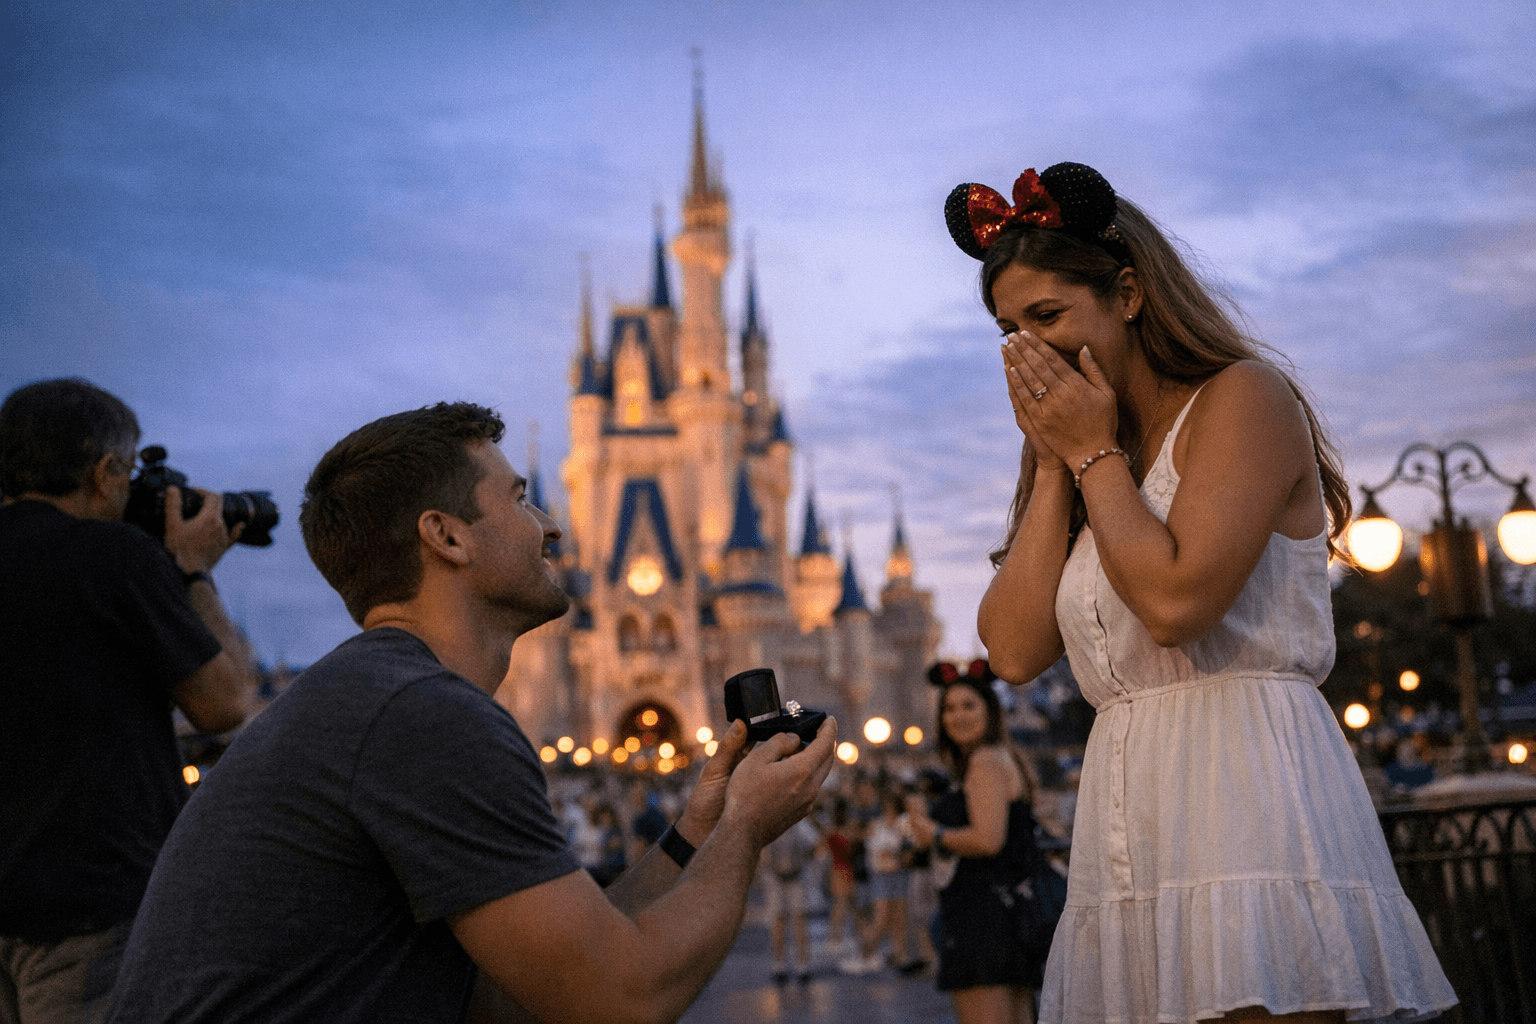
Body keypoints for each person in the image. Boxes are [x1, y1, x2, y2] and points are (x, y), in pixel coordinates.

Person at [105, 401, 837, 1024]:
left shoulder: (380, 695)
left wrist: (696, 831)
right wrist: (747, 828)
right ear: (446, 536)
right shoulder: (421, 716)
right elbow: (622, 997)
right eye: (519, 498)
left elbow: (527, 986)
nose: (549, 525)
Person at [945, 162, 1456, 1024]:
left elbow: (1179, 606)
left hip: (1245, 782)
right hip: (1130, 804)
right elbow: (1015, 650)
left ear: (1131, 295)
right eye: (1007, 331)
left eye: (1047, 317)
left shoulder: (1242, 400)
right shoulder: (1081, 454)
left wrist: (1091, 454)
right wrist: (1050, 459)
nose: (1026, 350)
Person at [0, 379, 255, 1024]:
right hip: (91, 905)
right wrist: (192, 569)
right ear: (105, 469)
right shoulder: (110, 556)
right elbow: (227, 702)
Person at [908, 672, 1045, 1024]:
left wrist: (932, 833)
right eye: (949, 708)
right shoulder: (996, 757)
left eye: (969, 705)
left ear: (991, 710)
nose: (958, 716)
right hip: (1000, 916)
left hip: (983, 920)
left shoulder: (984, 761)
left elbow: (988, 839)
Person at [840, 787, 914, 976]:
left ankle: (900, 955)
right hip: (881, 874)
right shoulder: (878, 824)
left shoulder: (904, 823)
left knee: (899, 917)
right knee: (881, 918)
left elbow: (909, 845)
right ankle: (865, 954)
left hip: (898, 873)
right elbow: (872, 848)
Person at [758, 816, 818, 984]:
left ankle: (786, 964)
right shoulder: (798, 823)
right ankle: (794, 964)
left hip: (788, 876)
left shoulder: (774, 822)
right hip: (781, 877)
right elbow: (814, 845)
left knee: (789, 920)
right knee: (787, 920)